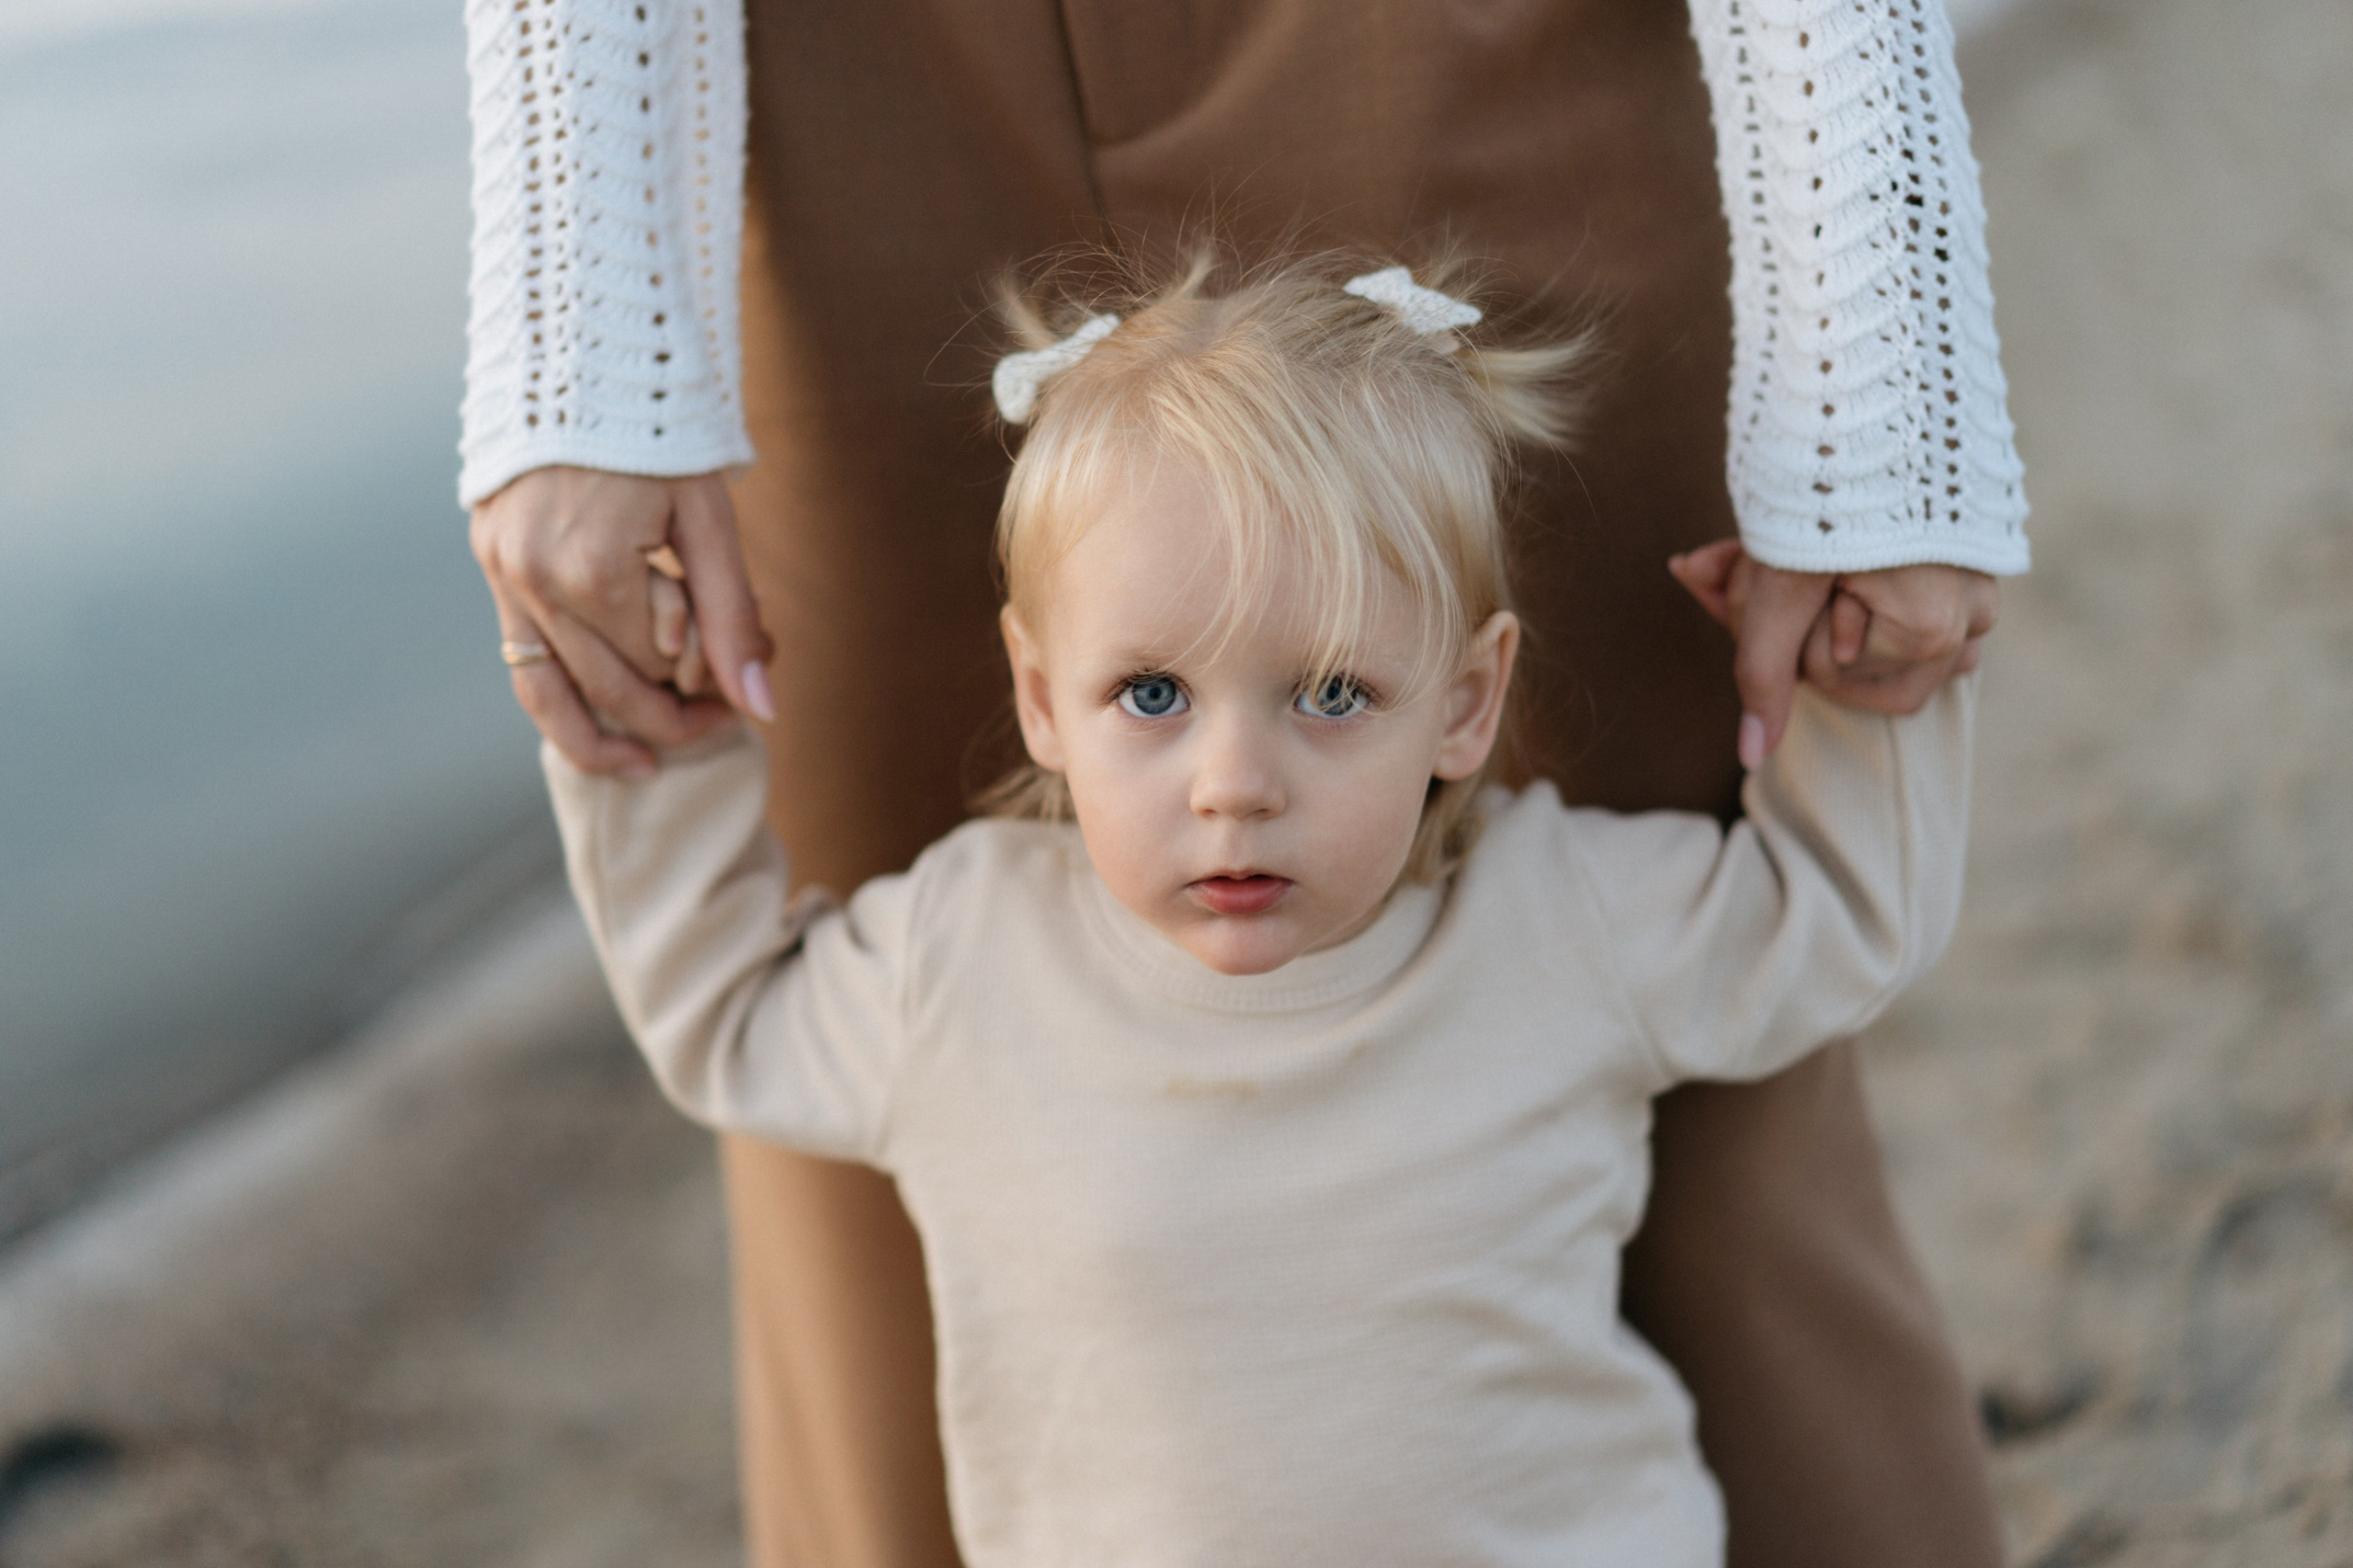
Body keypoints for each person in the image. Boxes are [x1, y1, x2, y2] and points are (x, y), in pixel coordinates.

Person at [459, 2, 2029, 1562]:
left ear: (1472, 698)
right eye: (1149, 696)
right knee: (849, 1275)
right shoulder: (955, 965)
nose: (1231, 788)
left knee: (1747, 1187)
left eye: (1332, 695)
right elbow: (726, 1010)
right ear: (1039, 695)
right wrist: (582, 388)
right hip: (859, 72)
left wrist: (1888, 457)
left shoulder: (1573, 915)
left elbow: (1829, 917)